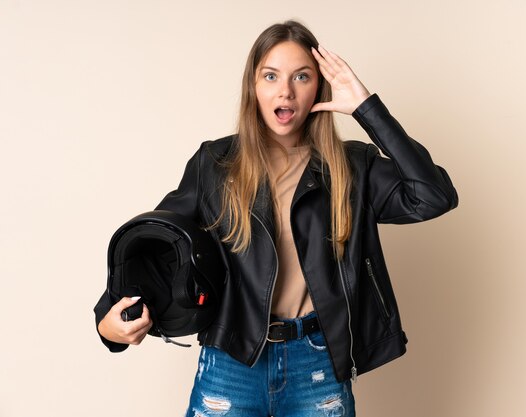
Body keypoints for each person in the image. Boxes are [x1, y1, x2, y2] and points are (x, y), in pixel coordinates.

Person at [94, 20, 458, 417]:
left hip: (317, 362)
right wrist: (108, 320)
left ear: (318, 87)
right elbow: (157, 242)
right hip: (232, 359)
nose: (285, 90)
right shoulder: (215, 164)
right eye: (271, 76)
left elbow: (433, 196)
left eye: (302, 77)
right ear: (254, 86)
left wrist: (366, 108)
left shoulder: (352, 168)